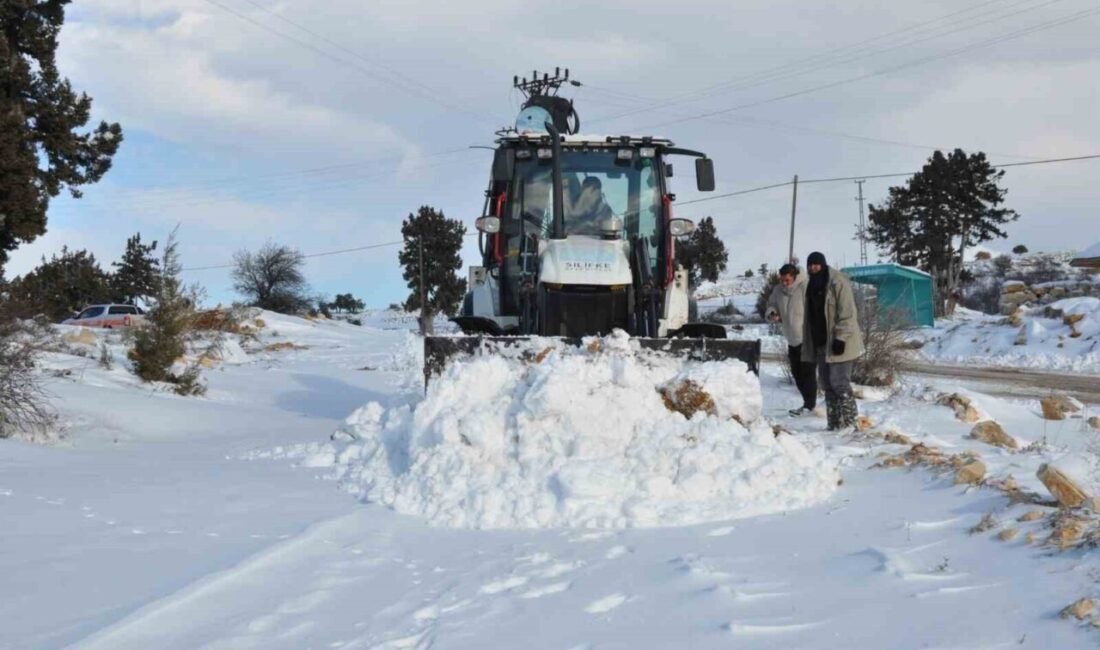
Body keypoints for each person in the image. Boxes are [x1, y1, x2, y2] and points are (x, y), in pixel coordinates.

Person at [801, 251, 864, 430]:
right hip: (821, 342)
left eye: (816, 264)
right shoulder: (811, 286)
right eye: (810, 265)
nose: (813, 268)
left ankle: (850, 424)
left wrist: (841, 338)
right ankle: (834, 424)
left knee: (840, 383)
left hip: (839, 343)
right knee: (827, 384)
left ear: (823, 264)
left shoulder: (837, 282)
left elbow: (848, 313)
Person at [765, 263, 817, 416]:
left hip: (807, 338)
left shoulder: (805, 287)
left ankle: (809, 406)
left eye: (787, 280)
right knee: (796, 373)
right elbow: (771, 304)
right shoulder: (778, 290)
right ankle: (808, 403)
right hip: (791, 338)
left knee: (808, 373)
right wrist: (772, 313)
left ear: (795, 277)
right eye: (782, 280)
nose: (784, 283)